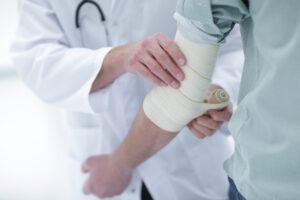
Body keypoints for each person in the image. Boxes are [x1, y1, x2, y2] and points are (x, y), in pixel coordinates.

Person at [11, 0, 243, 199]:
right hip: (100, 153)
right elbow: (35, 61)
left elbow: (236, 44)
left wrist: (216, 91)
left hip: (190, 158)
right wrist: (118, 58)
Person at [81, 0, 300, 200]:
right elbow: (47, 65)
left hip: (267, 185)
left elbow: (178, 97)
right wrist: (212, 94)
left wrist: (119, 164)